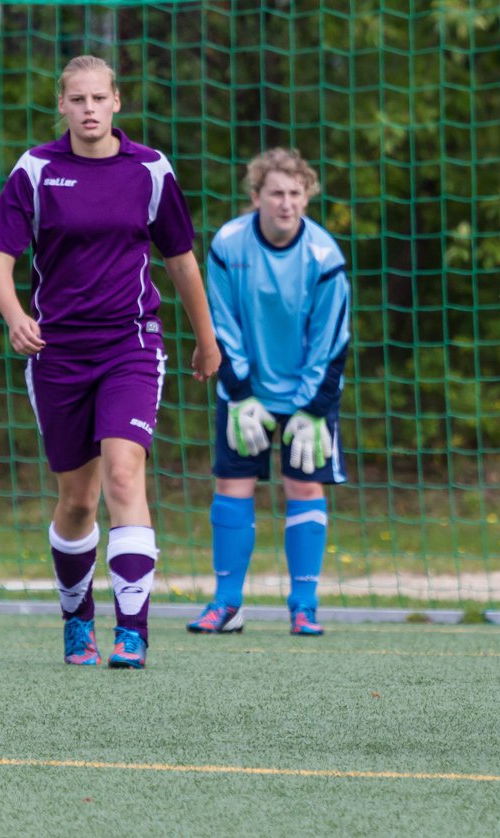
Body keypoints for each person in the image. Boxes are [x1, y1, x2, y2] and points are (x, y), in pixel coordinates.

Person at [0, 55, 220, 670]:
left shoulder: (150, 170)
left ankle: (133, 631)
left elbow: (182, 262)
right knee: (78, 501)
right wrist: (15, 317)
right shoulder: (35, 170)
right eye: (76, 99)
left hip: (130, 345)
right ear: (61, 106)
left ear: (118, 101)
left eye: (99, 98)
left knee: (123, 475)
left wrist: (206, 338)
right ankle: (76, 616)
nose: (88, 109)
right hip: (58, 352)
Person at [185, 148, 350, 638]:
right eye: (275, 192)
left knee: (303, 486)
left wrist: (311, 409)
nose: (286, 203)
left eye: (295, 193)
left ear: (307, 197)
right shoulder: (229, 245)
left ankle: (304, 606)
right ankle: (227, 604)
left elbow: (332, 339)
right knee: (233, 487)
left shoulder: (325, 257)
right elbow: (219, 322)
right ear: (255, 196)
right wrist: (240, 394)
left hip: (308, 392)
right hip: (245, 391)